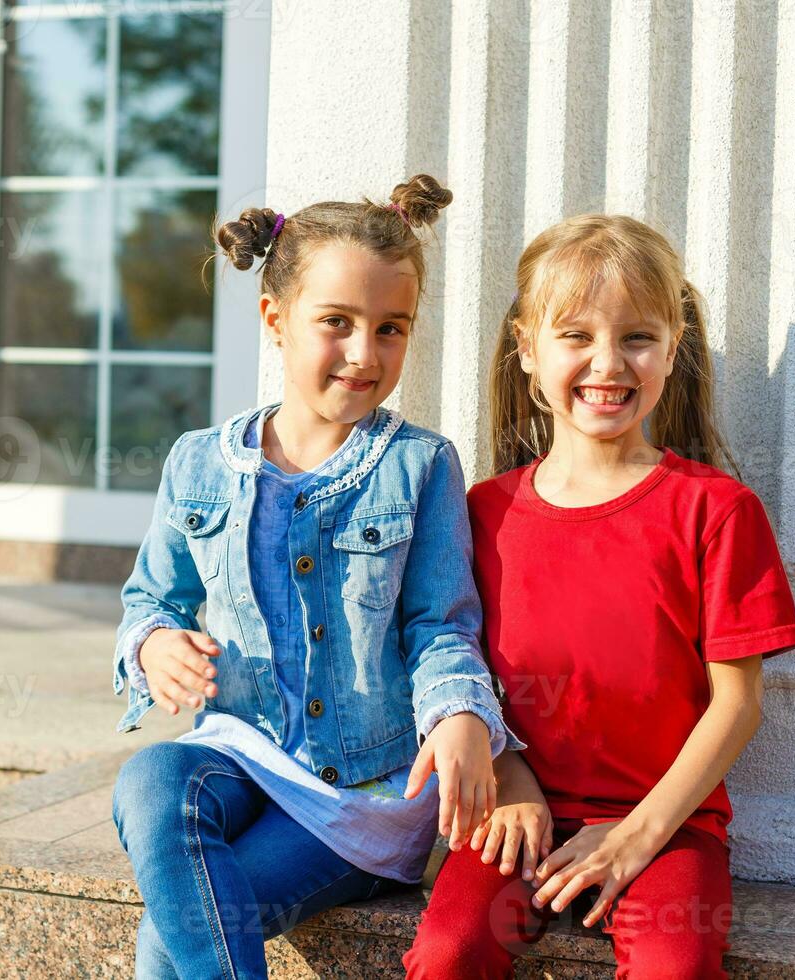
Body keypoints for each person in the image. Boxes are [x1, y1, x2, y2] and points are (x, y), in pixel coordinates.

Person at [110, 175, 523, 979]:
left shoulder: (418, 465)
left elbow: (441, 624)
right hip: (239, 754)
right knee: (152, 776)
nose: (365, 354)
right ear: (275, 318)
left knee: (178, 929)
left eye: (391, 328)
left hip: (358, 799)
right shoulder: (197, 461)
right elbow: (150, 599)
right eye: (336, 322)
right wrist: (155, 642)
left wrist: (460, 713)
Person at [403, 214, 795, 979]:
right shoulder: (479, 512)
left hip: (671, 825)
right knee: (448, 953)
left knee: (674, 969)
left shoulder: (716, 511)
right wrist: (513, 777)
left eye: (637, 338)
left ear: (672, 349)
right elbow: (454, 663)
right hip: (514, 811)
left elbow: (738, 702)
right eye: (576, 336)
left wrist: (638, 834)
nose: (608, 362)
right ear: (526, 348)